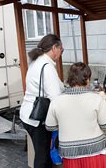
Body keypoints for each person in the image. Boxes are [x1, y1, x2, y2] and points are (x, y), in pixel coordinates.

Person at [45, 62, 106, 168]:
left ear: (69, 79)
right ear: (87, 79)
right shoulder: (96, 99)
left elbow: (50, 126)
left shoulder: (56, 101)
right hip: (94, 150)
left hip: (70, 152)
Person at [20, 34, 65, 168]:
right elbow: (55, 98)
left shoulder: (37, 61)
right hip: (37, 118)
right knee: (43, 156)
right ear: (54, 48)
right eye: (61, 49)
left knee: (42, 152)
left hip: (28, 113)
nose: (61, 52)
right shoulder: (47, 67)